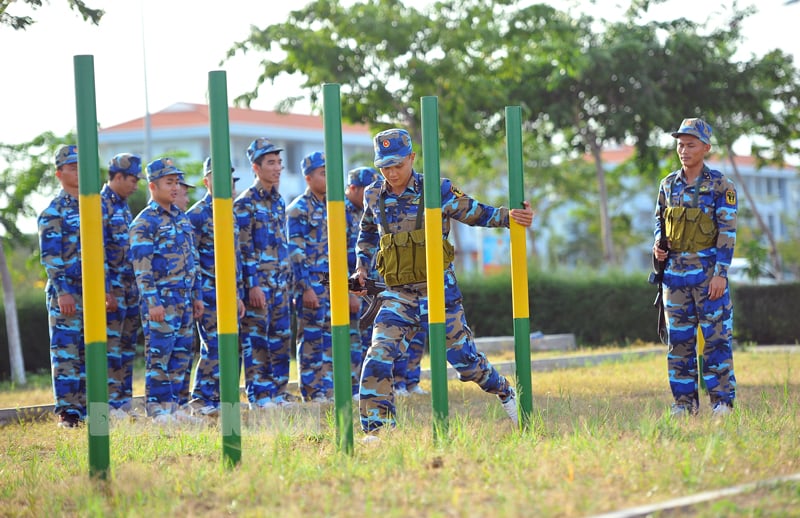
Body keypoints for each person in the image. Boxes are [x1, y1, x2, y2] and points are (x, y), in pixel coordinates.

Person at [353, 128, 534, 434]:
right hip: (397, 295)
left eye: (398, 164)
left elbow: (475, 212)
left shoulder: (437, 189)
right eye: (385, 166)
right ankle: (378, 431)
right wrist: (361, 266)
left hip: (439, 291)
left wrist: (511, 216)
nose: (392, 172)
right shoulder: (373, 195)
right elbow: (367, 232)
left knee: (466, 363)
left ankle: (505, 391)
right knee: (378, 355)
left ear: (412, 158)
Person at [653, 118, 737, 417]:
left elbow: (727, 231)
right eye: (680, 145)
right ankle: (683, 404)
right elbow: (660, 223)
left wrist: (721, 274)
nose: (684, 150)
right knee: (679, 344)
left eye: (690, 145)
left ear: (705, 148)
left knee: (716, 340)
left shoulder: (720, 185)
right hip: (674, 278)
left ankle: (722, 402)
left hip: (707, 276)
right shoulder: (667, 184)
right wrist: (658, 247)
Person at [129, 157, 204, 422]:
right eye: (168, 182)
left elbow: (192, 259)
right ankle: (159, 410)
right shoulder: (144, 222)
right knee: (159, 356)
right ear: (153, 186)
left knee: (182, 354)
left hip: (183, 300)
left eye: (176, 182)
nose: (174, 188)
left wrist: (197, 297)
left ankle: (178, 407)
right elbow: (142, 268)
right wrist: (152, 302)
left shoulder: (181, 218)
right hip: (161, 301)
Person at [345, 166, 428, 398]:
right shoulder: (340, 213)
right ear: (353, 189)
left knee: (408, 332)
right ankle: (360, 387)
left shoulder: (386, 203)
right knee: (366, 338)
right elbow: (341, 255)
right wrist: (350, 290)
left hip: (389, 281)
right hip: (362, 285)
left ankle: (404, 382)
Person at [234, 138, 295, 408]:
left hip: (280, 283)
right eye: (271, 162)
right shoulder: (245, 203)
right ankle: (259, 395)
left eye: (279, 162)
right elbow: (243, 248)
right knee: (257, 340)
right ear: (256, 168)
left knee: (281, 339)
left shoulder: (279, 201)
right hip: (259, 285)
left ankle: (278, 392)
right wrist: (252, 286)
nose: (278, 167)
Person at [185, 157, 245, 415]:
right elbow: (192, 259)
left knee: (234, 346)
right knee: (213, 346)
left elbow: (235, 257)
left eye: (231, 180)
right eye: (220, 179)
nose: (228, 184)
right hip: (209, 293)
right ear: (206, 181)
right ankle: (201, 399)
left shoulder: (229, 213)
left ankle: (225, 398)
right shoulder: (196, 215)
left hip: (231, 294)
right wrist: (198, 295)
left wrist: (239, 293)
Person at [38, 145, 85, 428]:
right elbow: (51, 257)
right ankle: (68, 413)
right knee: (66, 351)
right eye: (73, 166)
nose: (79, 171)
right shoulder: (53, 211)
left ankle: (88, 407)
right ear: (59, 173)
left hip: (90, 291)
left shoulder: (92, 206)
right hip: (65, 292)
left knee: (88, 350)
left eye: (82, 165)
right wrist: (64, 291)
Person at [287, 151, 334, 402]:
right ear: (308, 178)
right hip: (311, 284)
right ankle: (311, 390)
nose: (328, 178)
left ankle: (326, 387)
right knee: (311, 338)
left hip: (330, 283)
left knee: (328, 338)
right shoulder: (298, 210)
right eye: (323, 173)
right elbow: (295, 251)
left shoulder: (333, 206)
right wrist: (305, 287)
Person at [101, 153, 143, 418]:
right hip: (113, 291)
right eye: (132, 179)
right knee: (110, 348)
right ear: (117, 177)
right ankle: (109, 403)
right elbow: (98, 250)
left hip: (129, 290)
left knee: (126, 348)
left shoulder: (122, 206)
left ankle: (123, 402)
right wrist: (105, 289)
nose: (136, 185)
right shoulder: (100, 205)